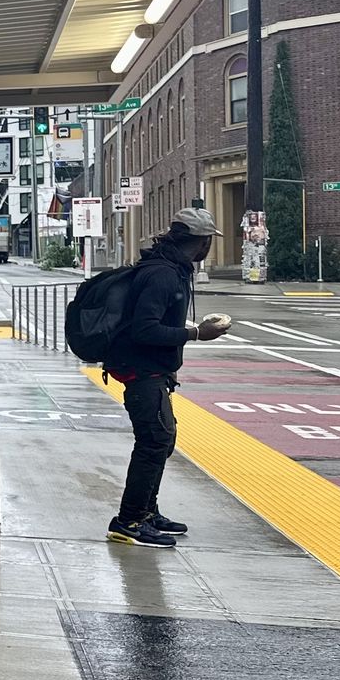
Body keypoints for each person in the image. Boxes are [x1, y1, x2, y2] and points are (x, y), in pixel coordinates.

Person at [103, 208, 230, 547]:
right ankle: (128, 521)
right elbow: (145, 330)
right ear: (201, 242)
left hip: (152, 370)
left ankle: (146, 511)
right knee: (153, 441)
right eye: (208, 241)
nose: (209, 247)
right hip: (143, 371)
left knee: (162, 439)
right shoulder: (163, 275)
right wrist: (197, 334)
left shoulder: (170, 268)